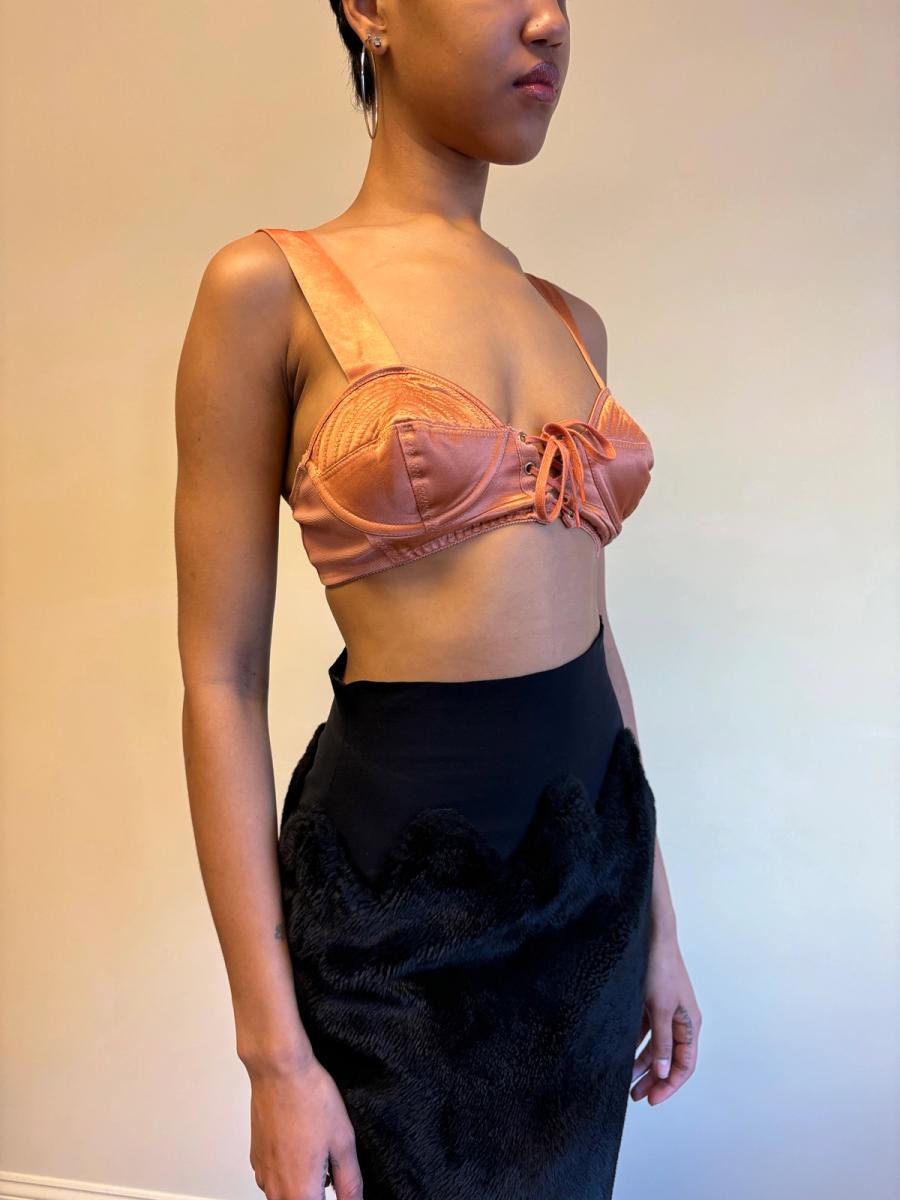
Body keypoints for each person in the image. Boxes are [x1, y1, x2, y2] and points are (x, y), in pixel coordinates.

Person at [175, 2, 701, 1198]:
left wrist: (661, 926)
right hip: (393, 920)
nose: (549, 20)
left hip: (594, 890)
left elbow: (595, 641)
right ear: (369, 9)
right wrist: (273, 1058)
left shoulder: (573, 323)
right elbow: (219, 680)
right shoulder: (268, 290)